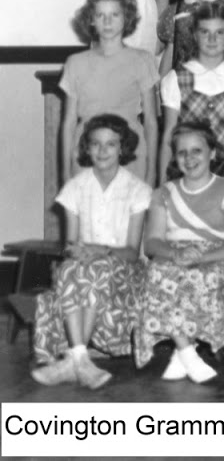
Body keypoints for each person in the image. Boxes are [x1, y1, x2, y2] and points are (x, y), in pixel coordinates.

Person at [29, 115, 150, 389]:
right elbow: (70, 244)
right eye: (95, 144)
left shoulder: (137, 189)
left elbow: (133, 252)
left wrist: (101, 251)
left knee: (95, 269)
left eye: (110, 144)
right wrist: (77, 252)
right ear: (87, 147)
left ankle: (72, 363)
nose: (102, 150)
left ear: (122, 148)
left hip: (126, 271)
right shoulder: (76, 187)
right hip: (83, 266)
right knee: (71, 267)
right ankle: (80, 359)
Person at [134, 123, 224, 383]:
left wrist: (201, 257)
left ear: (212, 153)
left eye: (197, 150)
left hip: (219, 256)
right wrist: (176, 254)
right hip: (175, 254)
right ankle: (187, 353)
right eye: (182, 152)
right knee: (158, 273)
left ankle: (181, 352)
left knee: (203, 277)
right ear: (175, 157)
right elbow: (152, 242)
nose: (189, 158)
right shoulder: (163, 193)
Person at [61, 0, 160, 183]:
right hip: (87, 152)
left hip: (130, 151)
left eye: (114, 14)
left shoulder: (142, 60)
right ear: (91, 19)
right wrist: (65, 173)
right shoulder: (75, 63)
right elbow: (68, 123)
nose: (107, 22)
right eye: (100, 15)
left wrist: (152, 172)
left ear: (126, 18)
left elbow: (151, 121)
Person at [159, 1, 224, 187]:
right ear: (195, 35)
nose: (212, 39)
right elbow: (168, 137)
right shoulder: (176, 79)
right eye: (205, 32)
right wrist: (163, 186)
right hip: (187, 175)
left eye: (220, 32)